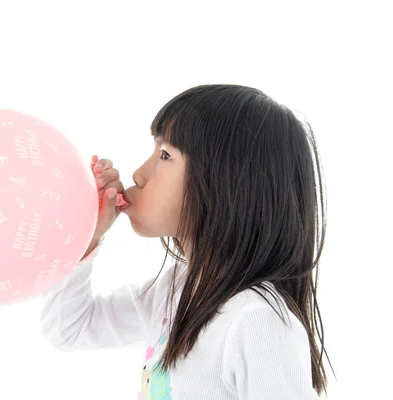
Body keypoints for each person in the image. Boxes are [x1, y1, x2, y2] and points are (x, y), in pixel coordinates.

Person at [40, 84, 335, 399]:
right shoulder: (175, 291)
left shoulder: (257, 320)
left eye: (165, 155)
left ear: (226, 184)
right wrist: (88, 234)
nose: (138, 174)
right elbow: (68, 329)